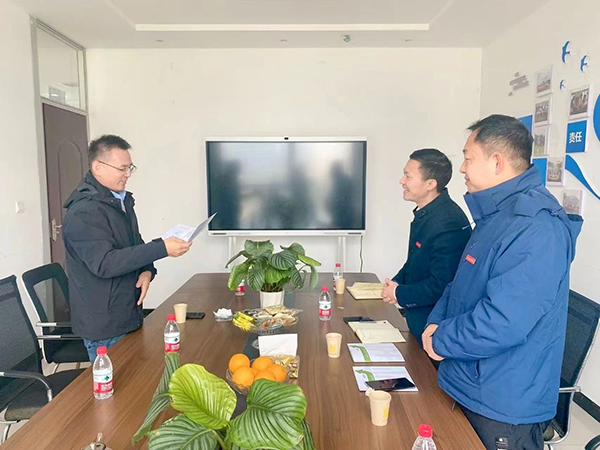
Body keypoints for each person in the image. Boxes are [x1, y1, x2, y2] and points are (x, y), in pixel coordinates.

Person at [422, 115, 583, 450]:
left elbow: (503, 322)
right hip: (469, 382)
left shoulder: (536, 229)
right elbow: (458, 285)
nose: (462, 168)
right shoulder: (496, 217)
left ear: (496, 162)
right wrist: (434, 323)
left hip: (503, 405)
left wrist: (441, 339)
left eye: (468, 158)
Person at [63, 135, 192, 362]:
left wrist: (147, 270)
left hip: (127, 312)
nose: (128, 174)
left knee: (138, 377)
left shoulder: (119, 201)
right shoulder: (84, 211)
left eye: (130, 168)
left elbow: (135, 245)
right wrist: (162, 248)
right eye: (122, 169)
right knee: (119, 384)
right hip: (105, 325)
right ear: (98, 167)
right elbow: (105, 263)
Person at [380, 149, 471, 344]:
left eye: (408, 176)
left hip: (432, 328)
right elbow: (415, 260)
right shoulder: (428, 213)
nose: (401, 181)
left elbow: (441, 285)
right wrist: (395, 283)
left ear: (430, 184)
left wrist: (398, 293)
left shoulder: (448, 222)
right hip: (417, 321)